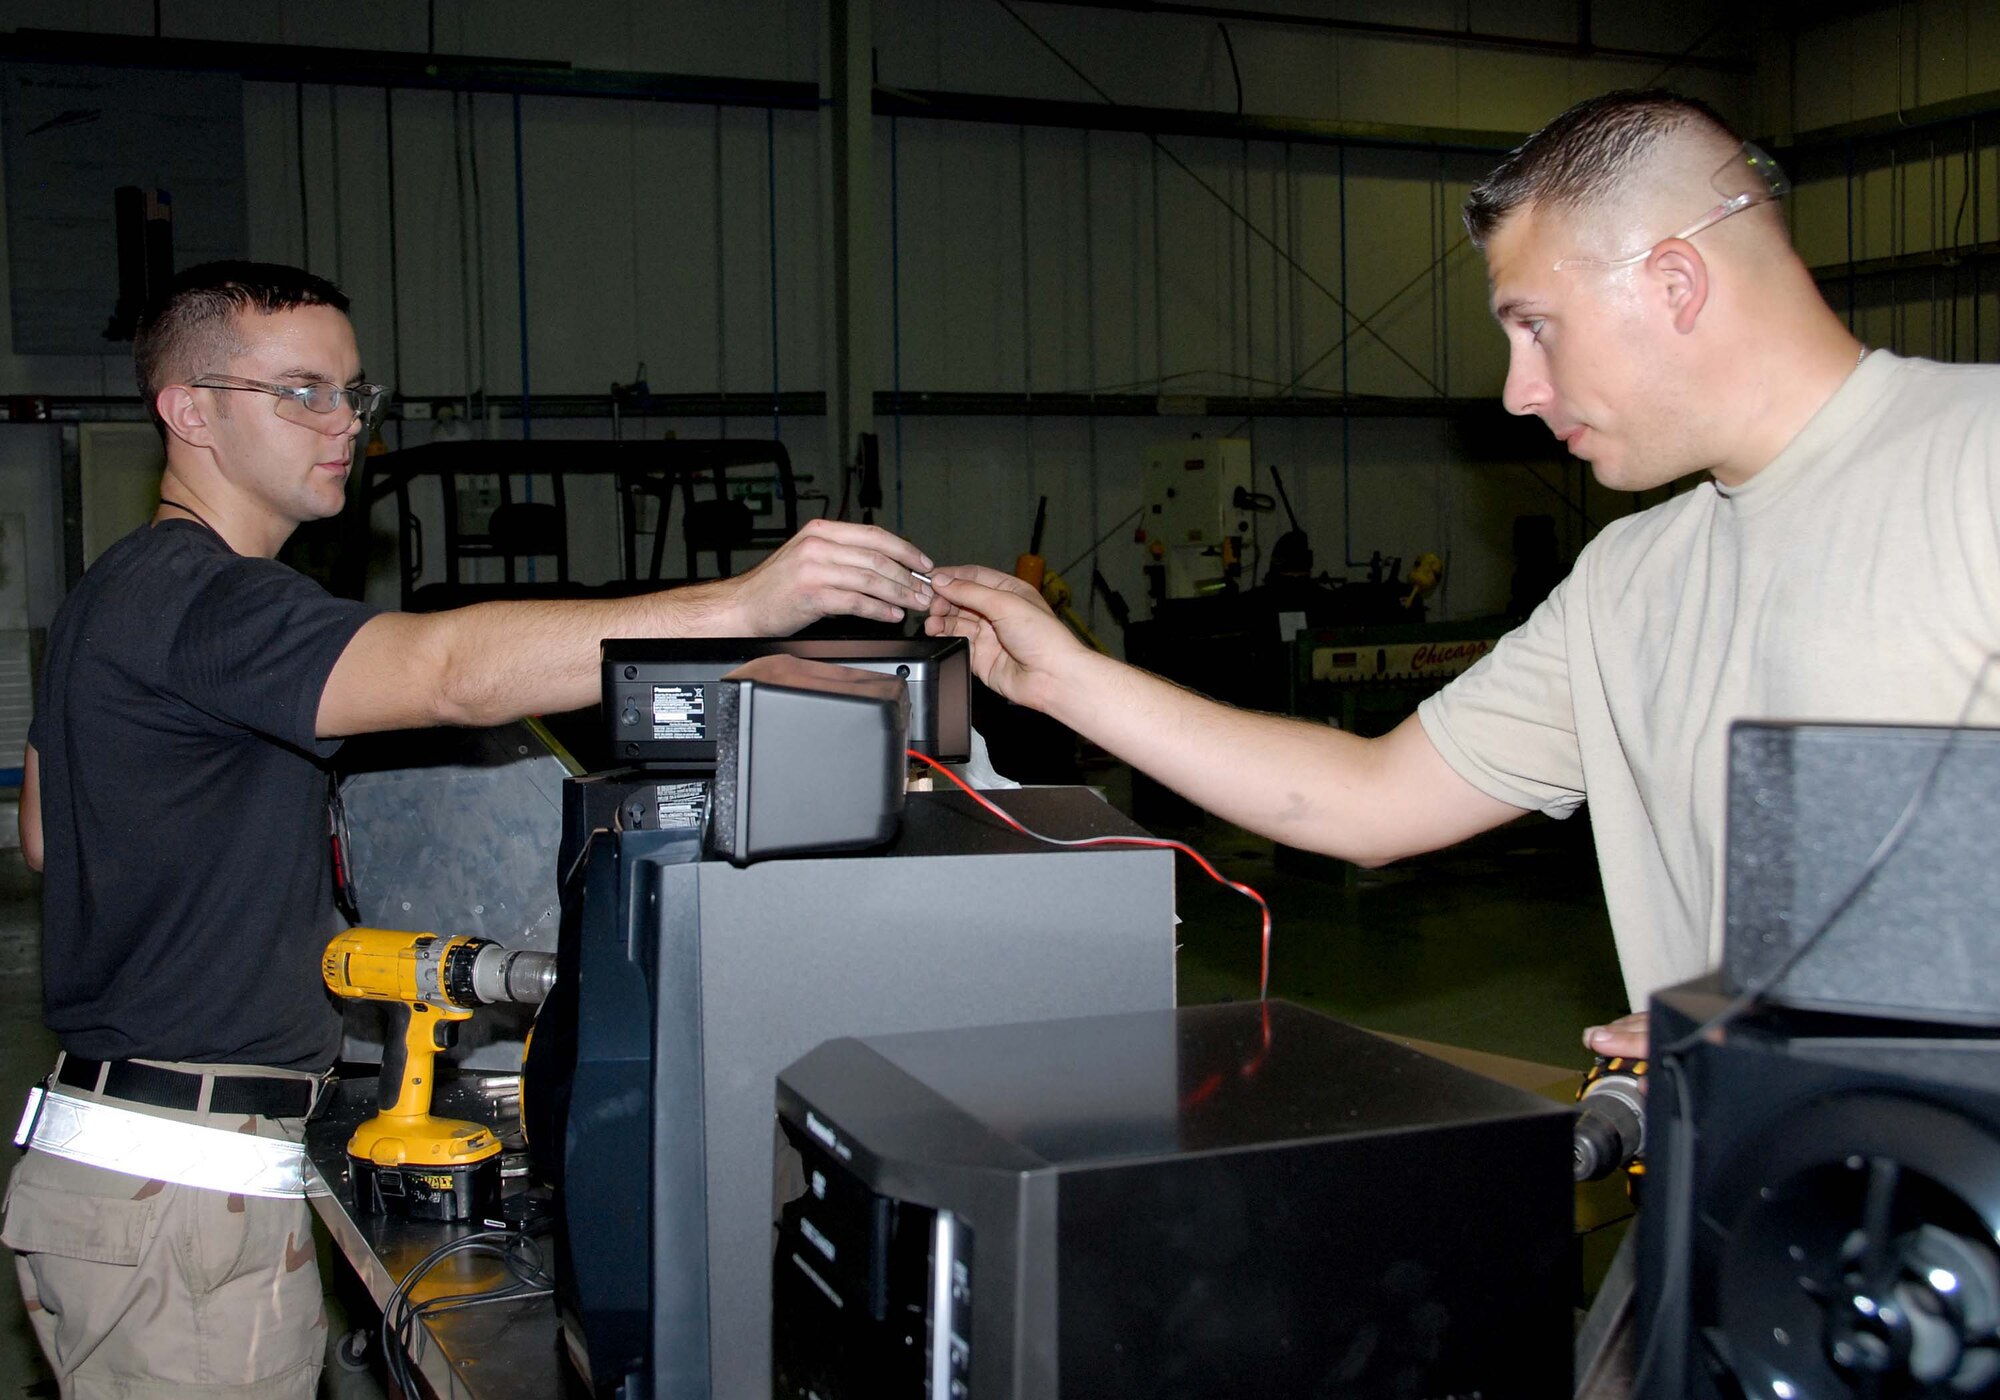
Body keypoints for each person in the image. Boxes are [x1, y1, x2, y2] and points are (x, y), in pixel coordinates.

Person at [3, 261, 934, 1397]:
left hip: (102, 1167)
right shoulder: (217, 599)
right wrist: (740, 604)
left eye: (354, 393)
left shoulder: (113, 592)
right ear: (188, 409)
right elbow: (445, 671)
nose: (343, 423)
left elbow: (48, 832)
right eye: (299, 391)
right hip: (188, 1205)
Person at [925, 89, 2000, 1065]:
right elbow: (1367, 797)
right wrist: (1063, 676)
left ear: (1674, 281)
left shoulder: (1974, 462)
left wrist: (1810, 1008)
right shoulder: (1629, 579)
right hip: (1751, 1205)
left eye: (1534, 326)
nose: (1516, 391)